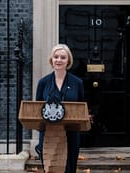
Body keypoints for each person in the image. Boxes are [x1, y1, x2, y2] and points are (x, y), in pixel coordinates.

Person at [36, 44, 84, 173]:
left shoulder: (77, 83)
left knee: (69, 167)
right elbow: (37, 109)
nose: (59, 60)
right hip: (48, 132)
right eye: (56, 57)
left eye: (63, 57)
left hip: (71, 132)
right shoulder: (43, 82)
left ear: (68, 61)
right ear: (51, 60)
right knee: (50, 166)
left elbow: (81, 107)